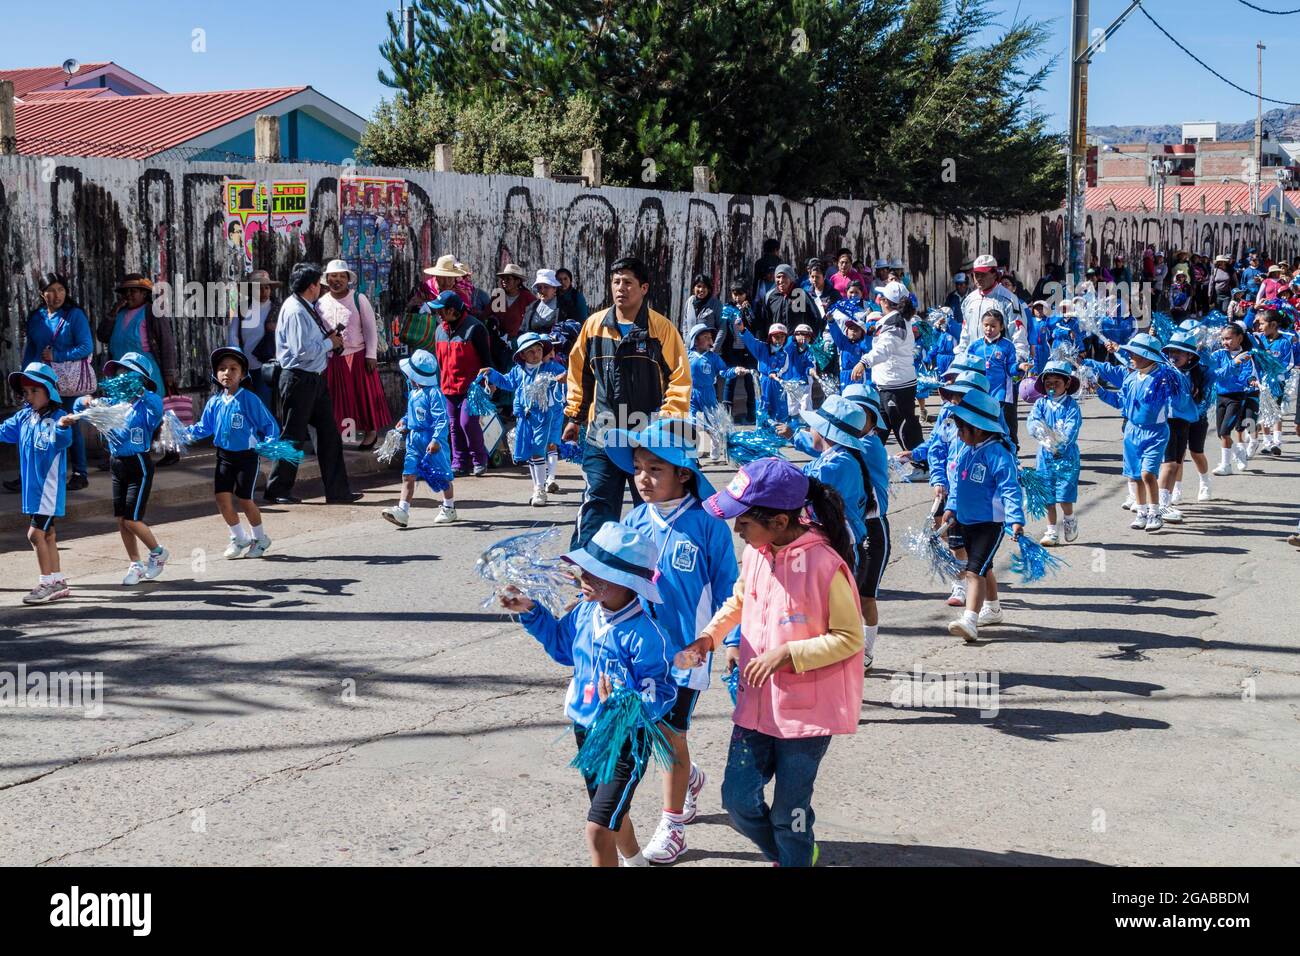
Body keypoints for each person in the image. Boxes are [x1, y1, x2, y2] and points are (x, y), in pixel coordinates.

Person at [675, 458, 864, 868]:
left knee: (790, 815)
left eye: (743, 521)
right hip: (755, 707)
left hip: (806, 716)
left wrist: (788, 654)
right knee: (737, 800)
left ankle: (795, 856)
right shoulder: (757, 552)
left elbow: (851, 638)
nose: (737, 529)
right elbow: (739, 601)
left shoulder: (826, 565)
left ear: (779, 521)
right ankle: (789, 854)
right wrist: (710, 635)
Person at [498, 521, 676, 868]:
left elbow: (662, 693)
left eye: (596, 573)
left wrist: (626, 701)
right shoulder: (584, 612)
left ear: (626, 583)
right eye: (585, 569)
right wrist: (531, 611)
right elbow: (564, 648)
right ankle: (637, 862)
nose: (583, 577)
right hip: (585, 729)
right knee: (610, 814)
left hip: (626, 740)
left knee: (597, 828)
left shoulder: (646, 635)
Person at [604, 420, 735, 865]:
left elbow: (728, 592)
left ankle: (673, 825)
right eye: (638, 468)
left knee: (667, 734)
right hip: (639, 656)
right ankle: (690, 777)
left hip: (685, 656)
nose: (643, 478)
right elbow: (615, 582)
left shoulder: (707, 526)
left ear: (684, 472)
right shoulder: (634, 520)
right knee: (654, 734)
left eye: (655, 468)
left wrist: (731, 641)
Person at [562, 255, 692, 549]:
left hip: (646, 439)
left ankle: (653, 571)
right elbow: (579, 374)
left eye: (628, 282)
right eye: (616, 282)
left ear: (644, 288)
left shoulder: (661, 329)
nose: (621, 288)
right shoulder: (594, 326)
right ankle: (588, 568)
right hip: (602, 436)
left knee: (651, 508)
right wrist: (574, 416)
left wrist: (668, 421)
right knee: (597, 503)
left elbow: (680, 379)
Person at [264, 263, 361, 505]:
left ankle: (338, 490)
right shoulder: (295, 310)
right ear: (311, 286)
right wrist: (330, 344)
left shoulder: (306, 307)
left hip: (314, 378)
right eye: (319, 283)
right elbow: (301, 351)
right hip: (299, 378)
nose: (321, 288)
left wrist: (327, 340)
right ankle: (277, 489)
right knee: (292, 437)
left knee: (329, 435)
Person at [70, 353, 169, 584]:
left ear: (141, 379)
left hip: (139, 464)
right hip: (117, 464)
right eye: (119, 373)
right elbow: (79, 406)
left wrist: (140, 390)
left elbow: (157, 404)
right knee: (121, 519)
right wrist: (86, 400)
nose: (122, 377)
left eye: (128, 374)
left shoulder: (146, 406)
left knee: (132, 519)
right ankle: (135, 563)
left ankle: (158, 552)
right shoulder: (112, 404)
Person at [937, 389, 1026, 642]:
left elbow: (1010, 488)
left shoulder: (997, 453)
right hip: (965, 520)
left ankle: (970, 621)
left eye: (961, 428)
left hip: (989, 523)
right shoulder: (967, 450)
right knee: (983, 568)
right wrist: (951, 507)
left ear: (978, 428)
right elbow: (957, 483)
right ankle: (994, 608)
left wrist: (1015, 518)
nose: (958, 434)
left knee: (974, 571)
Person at [187, 347, 281, 557]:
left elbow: (269, 424)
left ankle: (260, 539)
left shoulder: (249, 399)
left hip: (246, 457)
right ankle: (239, 537)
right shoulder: (214, 402)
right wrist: (181, 435)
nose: (227, 373)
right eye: (222, 369)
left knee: (245, 500)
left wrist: (270, 442)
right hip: (223, 457)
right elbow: (204, 427)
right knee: (222, 500)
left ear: (243, 373)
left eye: (233, 368)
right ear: (215, 374)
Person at [1083, 334, 1178, 532]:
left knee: (1147, 474)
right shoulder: (1131, 377)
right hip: (1132, 431)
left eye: (1134, 353)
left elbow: (1177, 390)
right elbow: (1120, 402)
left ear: (1147, 356)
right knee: (1135, 475)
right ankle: (1142, 512)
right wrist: (1099, 390)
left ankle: (1155, 512)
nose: (1129, 356)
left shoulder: (1162, 377)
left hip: (1155, 433)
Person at [2, 363, 73, 604]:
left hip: (48, 489)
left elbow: (63, 441)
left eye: (34, 391)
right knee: (48, 534)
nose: (28, 396)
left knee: (35, 535)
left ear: (48, 391)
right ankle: (58, 581)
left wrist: (63, 428)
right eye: (26, 391)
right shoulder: (24, 417)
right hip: (33, 490)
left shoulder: (58, 418)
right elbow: (3, 431)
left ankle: (45, 584)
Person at [20, 273, 95, 490]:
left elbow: (86, 347)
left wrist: (57, 356)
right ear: (42, 294)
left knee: (70, 424)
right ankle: (31, 472)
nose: (57, 295)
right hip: (42, 382)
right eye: (51, 290)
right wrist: (26, 379)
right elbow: (31, 350)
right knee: (36, 426)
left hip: (68, 382)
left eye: (61, 289)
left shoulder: (74, 315)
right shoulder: (36, 318)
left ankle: (80, 473)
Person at [480, 332, 563, 506]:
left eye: (538, 349)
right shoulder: (518, 371)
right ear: (522, 355)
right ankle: (537, 487)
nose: (536, 354)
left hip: (543, 415)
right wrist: (492, 373)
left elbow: (568, 376)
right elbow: (507, 383)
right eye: (530, 351)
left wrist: (564, 378)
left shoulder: (551, 367)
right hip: (524, 417)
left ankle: (540, 490)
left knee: (537, 451)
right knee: (530, 454)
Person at [318, 259, 390, 450]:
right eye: (333, 276)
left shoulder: (359, 299)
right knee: (338, 399)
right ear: (327, 278)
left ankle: (371, 433)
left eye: (342, 276)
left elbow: (370, 329)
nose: (338, 280)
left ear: (348, 279)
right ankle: (343, 436)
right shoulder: (321, 303)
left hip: (358, 356)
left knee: (364, 396)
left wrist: (371, 354)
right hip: (332, 358)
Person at [381, 349, 457, 528]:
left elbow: (441, 419)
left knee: (441, 476)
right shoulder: (414, 391)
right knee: (408, 475)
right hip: (414, 440)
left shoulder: (434, 393)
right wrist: (405, 421)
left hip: (431, 441)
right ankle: (403, 511)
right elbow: (412, 414)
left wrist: (437, 439)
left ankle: (449, 507)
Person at [425, 289, 493, 476]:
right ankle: (459, 461)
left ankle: (479, 459)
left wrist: (489, 381)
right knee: (453, 426)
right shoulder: (439, 331)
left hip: (472, 388)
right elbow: (439, 362)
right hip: (448, 387)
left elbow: (487, 359)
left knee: (467, 423)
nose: (438, 314)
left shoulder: (476, 328)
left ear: (453, 310)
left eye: (441, 310)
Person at [858, 280, 922, 451]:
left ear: (885, 302)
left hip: (896, 386)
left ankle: (921, 464)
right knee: (878, 428)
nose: (878, 298)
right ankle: (871, 463)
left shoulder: (896, 324)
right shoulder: (895, 320)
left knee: (904, 428)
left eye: (881, 296)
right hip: (887, 384)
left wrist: (864, 362)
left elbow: (884, 349)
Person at [1026, 361, 1083, 546]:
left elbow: (1071, 429)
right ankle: (1051, 531)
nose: (1051, 386)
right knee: (1047, 495)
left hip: (1066, 457)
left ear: (1066, 384)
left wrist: (1059, 443)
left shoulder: (1071, 406)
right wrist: (1041, 433)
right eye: (1047, 382)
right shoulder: (1041, 403)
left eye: (1056, 382)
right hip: (1045, 455)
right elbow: (1032, 421)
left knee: (1064, 496)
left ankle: (1069, 518)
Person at [1158, 331, 1215, 511]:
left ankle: (1205, 482)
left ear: (1190, 355)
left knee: (1196, 452)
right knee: (1175, 459)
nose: (1174, 356)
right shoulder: (1165, 371)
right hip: (1173, 420)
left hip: (1197, 418)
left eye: (1180, 352)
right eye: (1171, 351)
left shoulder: (1201, 372)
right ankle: (1174, 492)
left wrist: (1236, 363)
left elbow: (1220, 373)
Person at [685, 323, 747, 461]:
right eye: (705, 337)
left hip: (708, 393)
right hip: (691, 394)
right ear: (695, 340)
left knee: (712, 424)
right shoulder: (687, 355)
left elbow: (724, 372)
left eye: (710, 337)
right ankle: (692, 454)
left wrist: (735, 370)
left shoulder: (713, 358)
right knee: (691, 424)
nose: (709, 340)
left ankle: (715, 448)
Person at [964, 308, 1021, 447]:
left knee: (1002, 424)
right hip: (980, 391)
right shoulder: (975, 346)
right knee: (981, 424)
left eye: (993, 326)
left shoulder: (1007, 346)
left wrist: (1019, 368)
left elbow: (1010, 368)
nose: (989, 329)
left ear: (1001, 327)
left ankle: (1010, 451)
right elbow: (968, 367)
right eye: (986, 325)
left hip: (1000, 392)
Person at [1208, 322, 1260, 477]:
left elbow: (1244, 378)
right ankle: (1239, 451)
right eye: (1223, 339)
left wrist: (1247, 378)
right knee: (1221, 434)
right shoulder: (1218, 355)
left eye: (1229, 339)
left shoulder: (1246, 357)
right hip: (1220, 396)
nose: (1225, 342)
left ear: (1240, 338)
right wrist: (1232, 365)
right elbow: (1215, 373)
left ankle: (1226, 465)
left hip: (1236, 398)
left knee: (1225, 432)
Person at [955, 255, 1029, 362]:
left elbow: (1019, 334)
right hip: (972, 363)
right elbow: (965, 333)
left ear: (994, 274)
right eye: (976, 274)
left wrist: (1018, 361)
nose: (978, 278)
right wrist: (960, 357)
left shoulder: (1009, 300)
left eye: (983, 274)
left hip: (998, 364)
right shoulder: (969, 300)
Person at [228, 269, 280, 407]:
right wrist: (238, 363)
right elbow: (233, 336)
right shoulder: (242, 310)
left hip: (268, 366)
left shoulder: (278, 310)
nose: (264, 291)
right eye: (259, 288)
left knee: (263, 406)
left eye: (267, 287)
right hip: (246, 367)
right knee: (245, 405)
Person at [518, 269, 572, 338]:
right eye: (539, 287)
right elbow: (522, 330)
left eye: (546, 287)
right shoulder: (532, 307)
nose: (542, 290)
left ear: (554, 289)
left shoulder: (565, 306)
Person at [493, 263, 535, 338]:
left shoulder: (528, 298)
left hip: (520, 339)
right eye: (503, 279)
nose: (504, 281)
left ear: (517, 281)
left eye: (508, 279)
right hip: (500, 340)